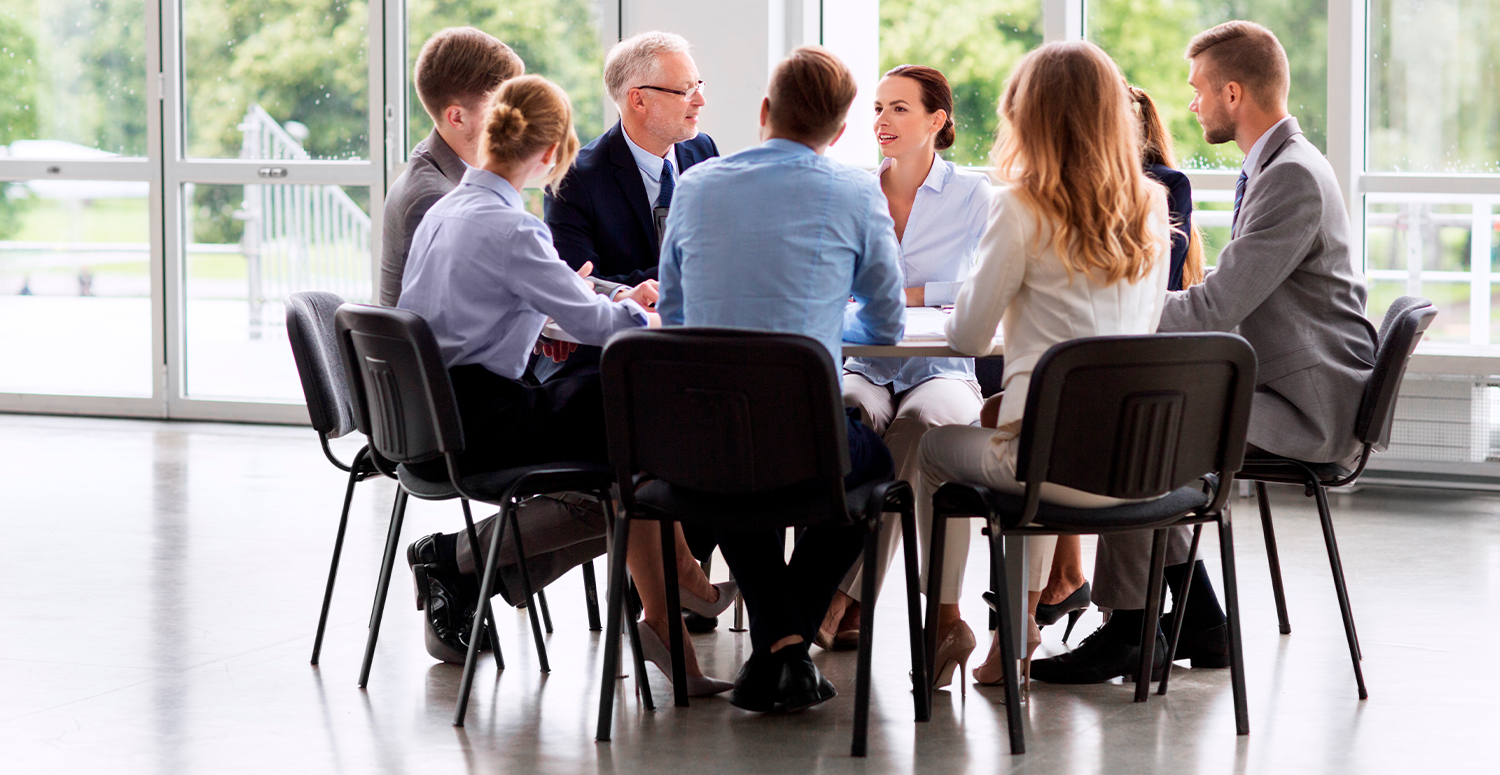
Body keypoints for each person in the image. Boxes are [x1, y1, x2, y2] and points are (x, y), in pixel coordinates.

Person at [1033, 21, 1377, 684]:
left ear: (1233, 92)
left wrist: (1106, 315)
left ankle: (1134, 629)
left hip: (1310, 409)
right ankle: (1199, 621)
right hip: (1287, 383)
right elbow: (1226, 300)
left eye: (1197, 90)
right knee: (1148, 412)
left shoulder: (1292, 178)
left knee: (1133, 425)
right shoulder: (1280, 165)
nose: (1190, 104)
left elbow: (1217, 306)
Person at [396, 76, 732, 696]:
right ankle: (673, 591)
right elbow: (597, 327)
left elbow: (504, 301)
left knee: (630, 441)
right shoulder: (512, 229)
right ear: (552, 154)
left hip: (435, 412)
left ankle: (668, 607)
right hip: (480, 420)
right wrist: (649, 313)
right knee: (639, 433)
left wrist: (584, 293)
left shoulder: (449, 209)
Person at [913, 40, 1172, 692]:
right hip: (1135, 464)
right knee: (1018, 433)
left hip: (1044, 466)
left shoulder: (1020, 205)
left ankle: (947, 619)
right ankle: (1015, 633)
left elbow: (969, 333)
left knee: (933, 447)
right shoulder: (1151, 203)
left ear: (1027, 116)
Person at [657, 46, 906, 713]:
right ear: (842, 130)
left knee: (731, 464)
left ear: (765, 112)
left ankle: (780, 639)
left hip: (703, 442)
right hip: (806, 435)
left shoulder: (696, 184)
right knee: (875, 465)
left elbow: (675, 319)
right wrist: (825, 322)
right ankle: (787, 639)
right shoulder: (857, 190)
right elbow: (886, 322)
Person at [817, 64, 991, 651]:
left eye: (899, 108)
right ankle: (847, 596)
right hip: (864, 361)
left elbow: (982, 287)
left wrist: (911, 294)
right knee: (842, 410)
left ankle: (838, 595)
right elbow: (833, 280)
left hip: (943, 366)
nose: (882, 120)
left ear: (936, 120)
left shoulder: (972, 194)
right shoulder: (855, 190)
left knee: (921, 425)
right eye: (878, 108)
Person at [1032, 84, 1210, 639]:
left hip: (1149, 353)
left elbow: (1146, 287)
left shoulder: (1161, 187)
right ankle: (1200, 621)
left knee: (1084, 423)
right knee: (1044, 397)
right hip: (1116, 352)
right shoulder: (1069, 188)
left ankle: (1127, 622)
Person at [537, 30, 719, 379]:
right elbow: (579, 285)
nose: (700, 101)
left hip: (696, 343)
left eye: (699, 85)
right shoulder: (574, 179)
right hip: (607, 359)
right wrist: (680, 280)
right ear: (638, 100)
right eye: (685, 90)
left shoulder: (703, 151)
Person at [379, 27, 523, 307]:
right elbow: (471, 310)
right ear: (456, 117)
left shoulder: (444, 162)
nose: (517, 116)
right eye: (503, 105)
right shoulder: (434, 198)